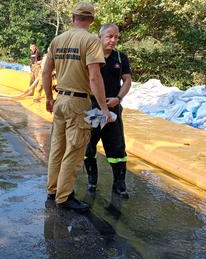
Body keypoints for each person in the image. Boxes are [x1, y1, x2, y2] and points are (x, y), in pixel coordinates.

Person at [42, 2, 113, 212]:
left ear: (73, 18)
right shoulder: (91, 41)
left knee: (57, 149)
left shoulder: (58, 40)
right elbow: (94, 76)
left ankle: (53, 189)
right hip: (79, 102)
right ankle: (64, 197)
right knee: (74, 151)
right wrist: (104, 109)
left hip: (60, 100)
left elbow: (46, 73)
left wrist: (48, 98)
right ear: (91, 20)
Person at [84, 23, 132, 199]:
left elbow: (127, 80)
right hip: (92, 109)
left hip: (112, 111)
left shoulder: (120, 58)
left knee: (117, 148)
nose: (113, 40)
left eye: (116, 37)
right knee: (89, 146)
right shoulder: (90, 55)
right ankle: (92, 179)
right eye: (109, 36)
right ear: (100, 37)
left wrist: (118, 98)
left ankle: (119, 184)